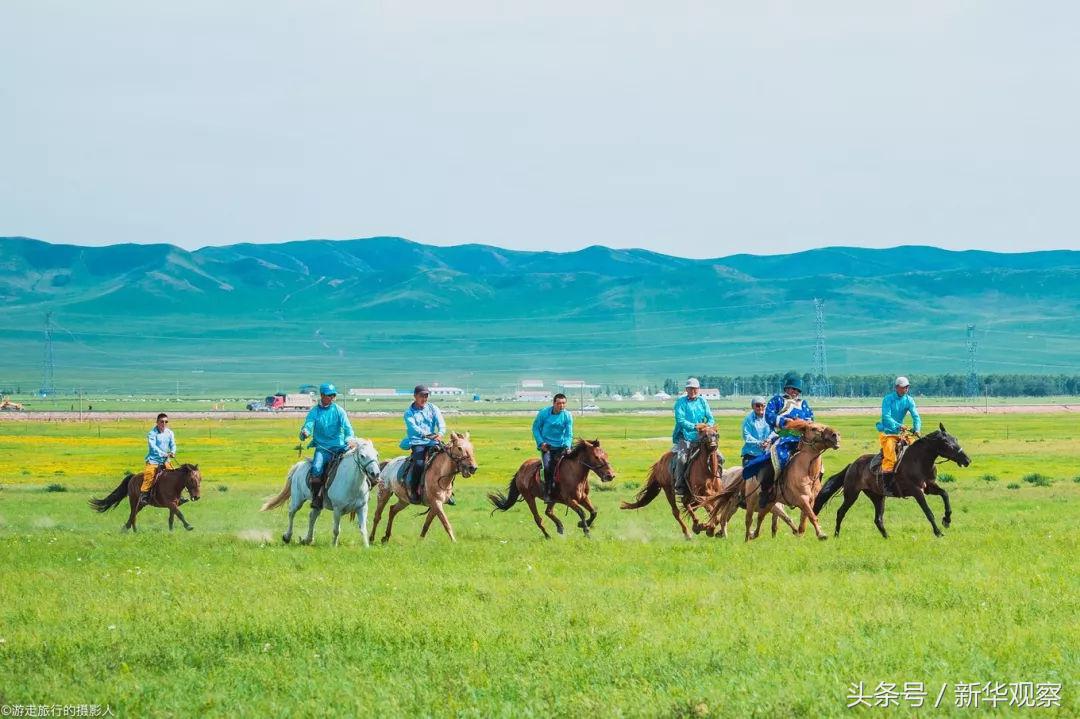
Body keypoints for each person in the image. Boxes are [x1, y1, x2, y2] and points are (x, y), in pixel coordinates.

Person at [744, 372, 814, 504]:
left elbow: (811, 419)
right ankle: (767, 490)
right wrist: (785, 422)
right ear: (786, 388)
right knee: (776, 461)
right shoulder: (778, 400)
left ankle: (815, 487)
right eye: (792, 389)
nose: (794, 392)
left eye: (797, 390)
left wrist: (804, 423)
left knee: (817, 461)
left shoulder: (804, 403)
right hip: (784, 438)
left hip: (802, 439)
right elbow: (769, 415)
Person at [299, 383, 354, 510]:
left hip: (340, 447)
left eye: (333, 395)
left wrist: (350, 439)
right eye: (330, 395)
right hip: (323, 449)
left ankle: (361, 493)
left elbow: (347, 428)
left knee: (358, 461)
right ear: (322, 396)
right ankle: (317, 498)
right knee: (316, 469)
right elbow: (308, 424)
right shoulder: (315, 411)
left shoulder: (339, 411)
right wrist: (305, 432)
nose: (332, 398)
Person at [400, 385, 446, 503]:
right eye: (422, 396)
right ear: (415, 396)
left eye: (426, 396)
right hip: (417, 441)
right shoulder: (409, 413)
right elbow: (413, 428)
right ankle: (413, 489)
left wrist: (440, 433)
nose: (424, 398)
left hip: (433, 440)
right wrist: (425, 434)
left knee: (447, 459)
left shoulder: (433, 408)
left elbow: (441, 422)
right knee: (420, 464)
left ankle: (446, 491)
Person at [876, 376, 922, 493]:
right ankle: (887, 486)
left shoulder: (909, 400)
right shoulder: (888, 399)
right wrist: (898, 425)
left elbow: (916, 416)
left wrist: (917, 428)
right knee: (890, 455)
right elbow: (886, 417)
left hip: (901, 433)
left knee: (916, 449)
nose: (906, 389)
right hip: (888, 432)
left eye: (907, 387)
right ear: (897, 387)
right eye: (903, 387)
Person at [671, 378, 715, 495]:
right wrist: (695, 426)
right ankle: (680, 485)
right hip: (684, 437)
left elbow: (710, 418)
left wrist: (707, 427)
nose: (693, 391)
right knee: (681, 459)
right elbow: (680, 420)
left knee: (718, 456)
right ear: (686, 389)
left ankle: (718, 480)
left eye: (695, 389)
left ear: (698, 389)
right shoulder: (680, 402)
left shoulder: (703, 401)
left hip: (701, 437)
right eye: (690, 389)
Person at [532, 393, 574, 502]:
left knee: (574, 463)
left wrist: (567, 446)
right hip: (547, 447)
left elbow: (568, 434)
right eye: (559, 403)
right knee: (547, 467)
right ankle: (547, 492)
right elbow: (536, 428)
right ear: (554, 403)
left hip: (562, 446)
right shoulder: (544, 413)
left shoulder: (567, 416)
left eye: (564, 403)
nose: (561, 406)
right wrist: (541, 443)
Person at [139, 413, 176, 506]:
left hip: (165, 461)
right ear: (157, 422)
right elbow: (153, 447)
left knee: (175, 476)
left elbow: (173, 444)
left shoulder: (170, 433)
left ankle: (178, 496)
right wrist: (164, 454)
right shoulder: (152, 433)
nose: (164, 423)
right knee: (149, 474)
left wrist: (173, 451)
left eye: (166, 422)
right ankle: (143, 496)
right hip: (153, 460)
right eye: (162, 421)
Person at [741, 396, 775, 467]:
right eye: (758, 405)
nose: (760, 408)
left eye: (763, 405)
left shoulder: (770, 417)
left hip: (767, 453)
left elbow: (774, 431)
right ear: (753, 406)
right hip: (751, 454)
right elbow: (746, 436)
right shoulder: (748, 419)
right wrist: (759, 443)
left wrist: (768, 440)